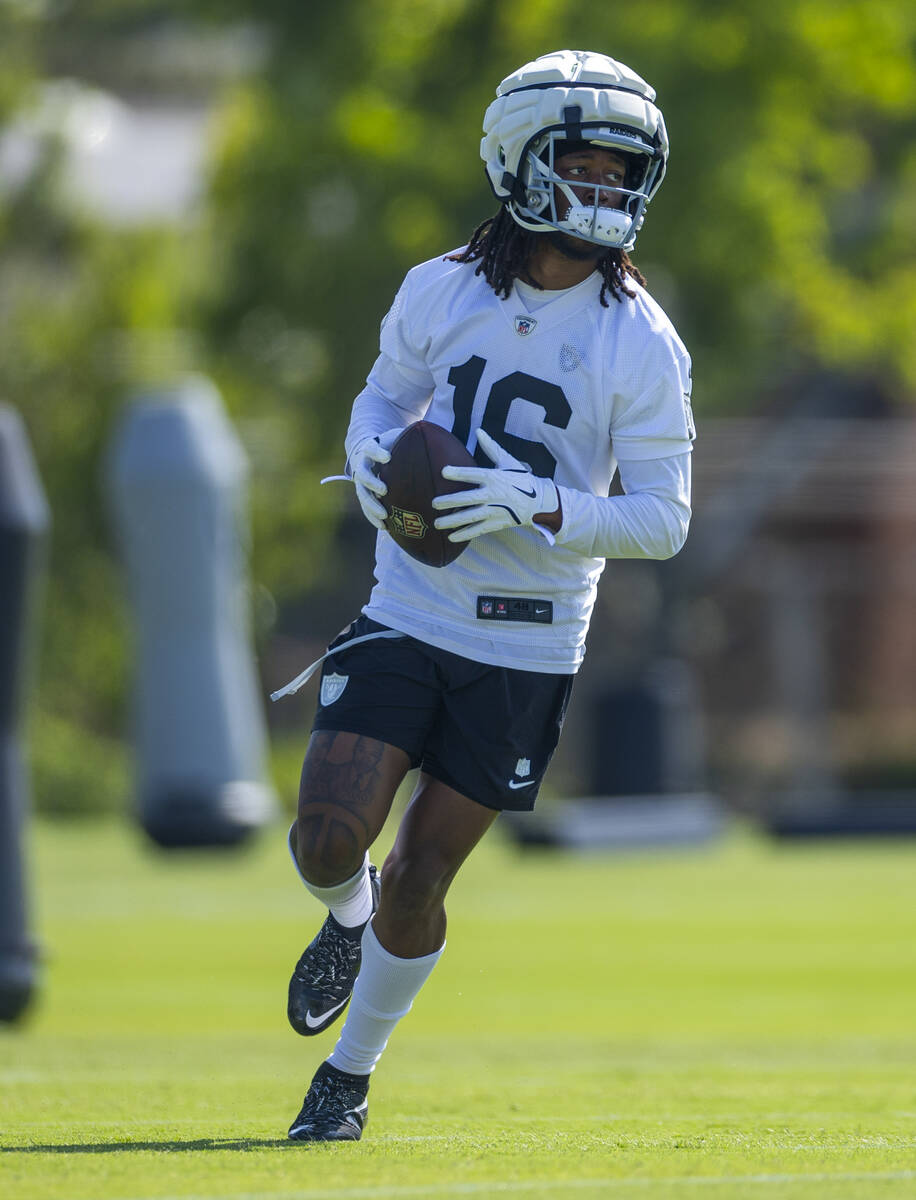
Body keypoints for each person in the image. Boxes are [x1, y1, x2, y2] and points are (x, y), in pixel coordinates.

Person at [279, 48, 696, 1142]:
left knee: (422, 875)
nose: (607, 194)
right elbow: (381, 400)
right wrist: (372, 465)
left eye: (622, 174)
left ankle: (348, 1074)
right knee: (327, 840)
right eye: (586, 169)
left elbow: (662, 520)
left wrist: (536, 503)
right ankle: (343, 916)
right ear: (519, 163)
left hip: (527, 640)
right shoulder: (441, 288)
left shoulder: (641, 343)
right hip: (411, 604)